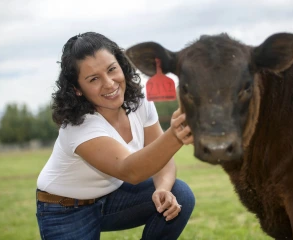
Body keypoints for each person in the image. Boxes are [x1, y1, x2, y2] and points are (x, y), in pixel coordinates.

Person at [36, 32, 195, 240]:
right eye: (94, 79)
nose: (110, 83)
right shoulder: (79, 125)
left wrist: (162, 189)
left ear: (121, 65)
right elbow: (130, 170)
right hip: (65, 209)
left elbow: (162, 161)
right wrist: (176, 135)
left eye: (112, 69)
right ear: (77, 89)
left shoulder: (139, 102)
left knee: (179, 193)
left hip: (111, 199)